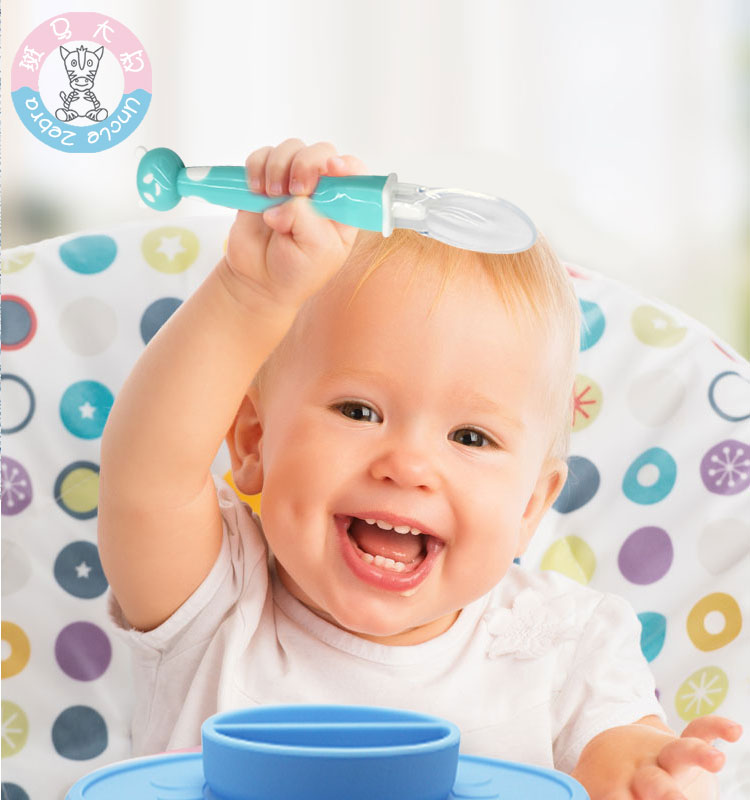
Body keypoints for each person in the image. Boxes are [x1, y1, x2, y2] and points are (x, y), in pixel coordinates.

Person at [99, 138, 741, 799]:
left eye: (470, 436)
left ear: (530, 505)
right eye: (359, 410)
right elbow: (148, 482)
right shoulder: (218, 595)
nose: (407, 466)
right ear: (254, 441)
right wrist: (249, 295)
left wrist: (646, 775)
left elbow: (618, 757)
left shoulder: (566, 645)